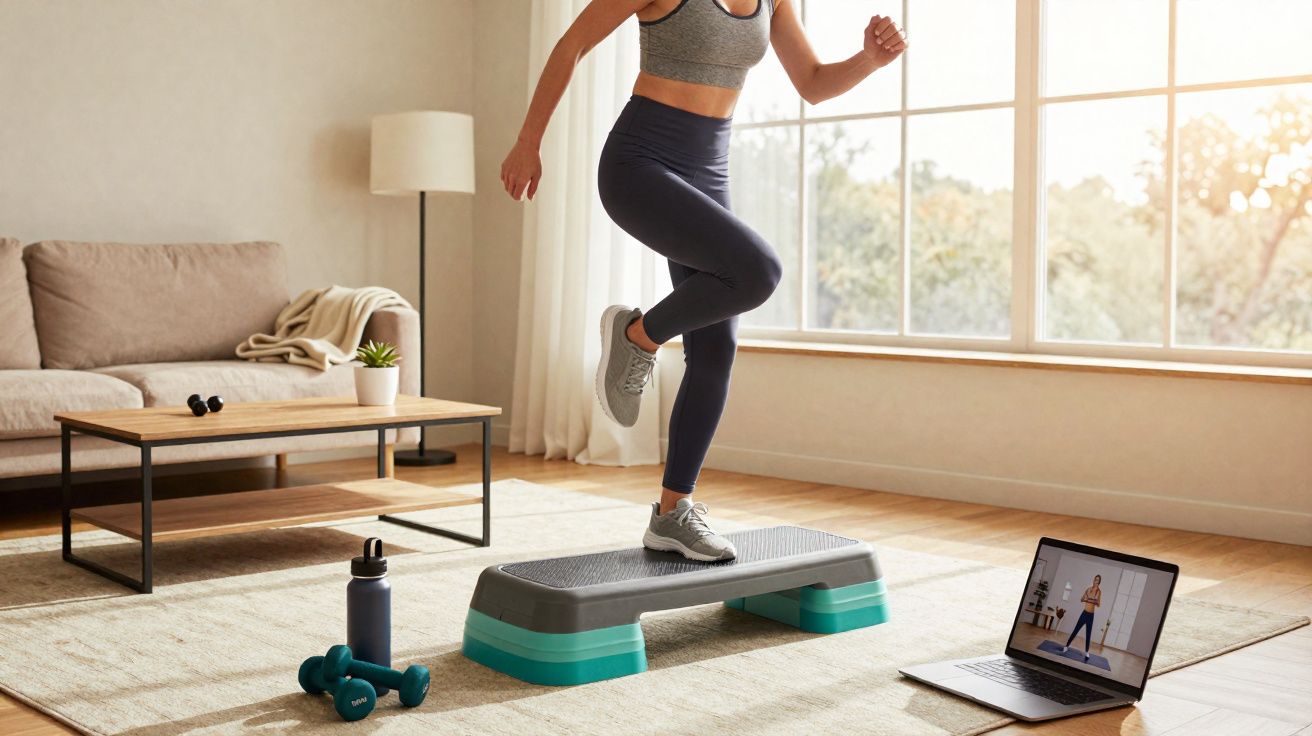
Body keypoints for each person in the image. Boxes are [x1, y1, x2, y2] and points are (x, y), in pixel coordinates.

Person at [500, 0, 907, 561]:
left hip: (708, 169)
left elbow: (812, 83)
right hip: (640, 164)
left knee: (716, 347)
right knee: (758, 271)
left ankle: (671, 515)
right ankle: (639, 335)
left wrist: (868, 60)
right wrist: (529, 141)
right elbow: (570, 45)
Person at [1060, 575, 1102, 661]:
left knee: (1088, 634)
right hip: (1084, 613)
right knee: (1076, 630)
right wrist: (1087, 599)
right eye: (1095, 579)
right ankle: (1066, 646)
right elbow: (1082, 599)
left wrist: (1094, 601)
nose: (1095, 581)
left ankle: (1087, 652)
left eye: (1097, 580)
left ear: (1099, 582)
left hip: (1091, 615)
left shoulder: (1099, 592)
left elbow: (1098, 604)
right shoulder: (1088, 589)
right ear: (1093, 580)